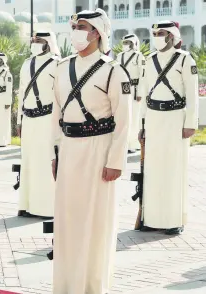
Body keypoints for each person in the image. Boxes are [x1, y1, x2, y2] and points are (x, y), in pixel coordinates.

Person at [52, 9, 131, 293]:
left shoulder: (113, 70)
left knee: (95, 222)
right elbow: (56, 114)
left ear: (96, 32)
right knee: (67, 219)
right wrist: (55, 153)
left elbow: (123, 121)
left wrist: (116, 161)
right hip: (69, 149)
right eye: (73, 26)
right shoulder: (62, 67)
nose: (75, 31)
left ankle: (91, 286)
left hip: (99, 151)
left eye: (81, 26)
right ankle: (66, 284)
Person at [139, 21, 198, 235]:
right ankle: (151, 219)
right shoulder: (149, 59)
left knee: (173, 170)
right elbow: (145, 94)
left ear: (171, 36)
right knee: (153, 171)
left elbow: (192, 94)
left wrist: (190, 123)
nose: (156, 36)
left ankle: (173, 220)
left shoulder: (184, 59)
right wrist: (142, 124)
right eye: (153, 33)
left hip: (175, 119)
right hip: (153, 118)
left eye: (161, 33)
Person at [16, 31, 60, 218]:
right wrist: (19, 120)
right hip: (29, 119)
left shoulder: (58, 64)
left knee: (45, 163)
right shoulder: (27, 63)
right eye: (33, 41)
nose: (35, 44)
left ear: (48, 43)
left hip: (47, 119)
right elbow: (22, 94)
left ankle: (46, 208)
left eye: (39, 41)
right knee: (28, 163)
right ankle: (27, 205)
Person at [117, 34, 145, 153]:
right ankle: (124, 144)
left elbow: (142, 75)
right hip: (122, 88)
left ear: (133, 43)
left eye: (128, 42)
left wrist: (140, 92)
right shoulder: (119, 56)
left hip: (134, 90)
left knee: (134, 117)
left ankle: (133, 143)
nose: (125, 45)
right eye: (124, 42)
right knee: (122, 117)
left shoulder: (139, 56)